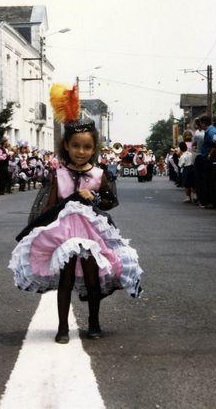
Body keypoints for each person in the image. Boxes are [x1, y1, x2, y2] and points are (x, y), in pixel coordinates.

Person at [9, 84, 143, 344]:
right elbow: (46, 205)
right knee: (66, 278)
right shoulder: (57, 174)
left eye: (86, 147)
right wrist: (39, 229)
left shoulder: (99, 174)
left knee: (93, 276)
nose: (81, 152)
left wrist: (94, 197)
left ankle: (94, 322)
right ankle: (62, 327)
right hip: (64, 232)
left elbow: (110, 201)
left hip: (91, 231)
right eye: (76, 146)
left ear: (94, 149)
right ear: (66, 147)